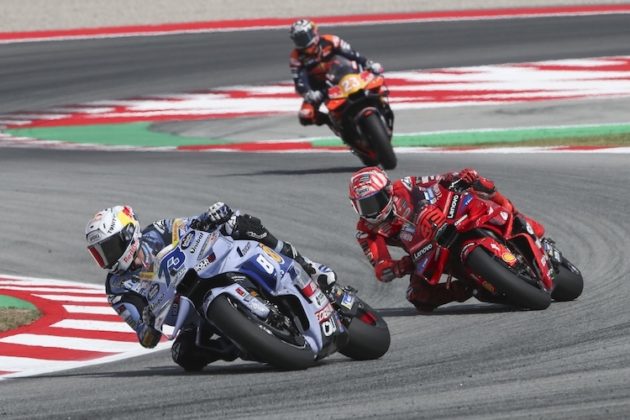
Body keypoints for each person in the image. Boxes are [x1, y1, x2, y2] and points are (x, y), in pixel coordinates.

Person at [85, 202, 336, 370]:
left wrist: (212, 215)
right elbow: (146, 338)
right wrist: (149, 324)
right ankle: (244, 342)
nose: (105, 258)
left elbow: (194, 223)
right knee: (183, 354)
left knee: (238, 223)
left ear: (128, 235)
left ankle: (308, 266)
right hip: (189, 314)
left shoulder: (158, 231)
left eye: (108, 248)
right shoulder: (117, 289)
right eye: (98, 253)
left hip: (208, 268)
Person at [348, 166, 547, 312]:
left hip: (446, 219)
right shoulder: (366, 230)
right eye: (364, 205)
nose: (372, 210)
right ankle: (470, 287)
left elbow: (439, 180)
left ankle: (515, 215)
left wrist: (460, 177)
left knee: (480, 185)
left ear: (388, 191)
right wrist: (398, 267)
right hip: (424, 251)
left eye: (375, 201)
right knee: (418, 297)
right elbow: (381, 267)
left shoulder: (405, 186)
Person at [289, 19, 384, 127]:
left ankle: (381, 103)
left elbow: (352, 54)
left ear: (314, 33)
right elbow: (299, 80)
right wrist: (308, 93)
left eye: (304, 38)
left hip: (343, 75)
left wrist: (368, 63)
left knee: (376, 79)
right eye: (298, 40)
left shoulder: (331, 40)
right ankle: (333, 123)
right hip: (321, 89)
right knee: (305, 115)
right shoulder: (296, 57)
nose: (302, 43)